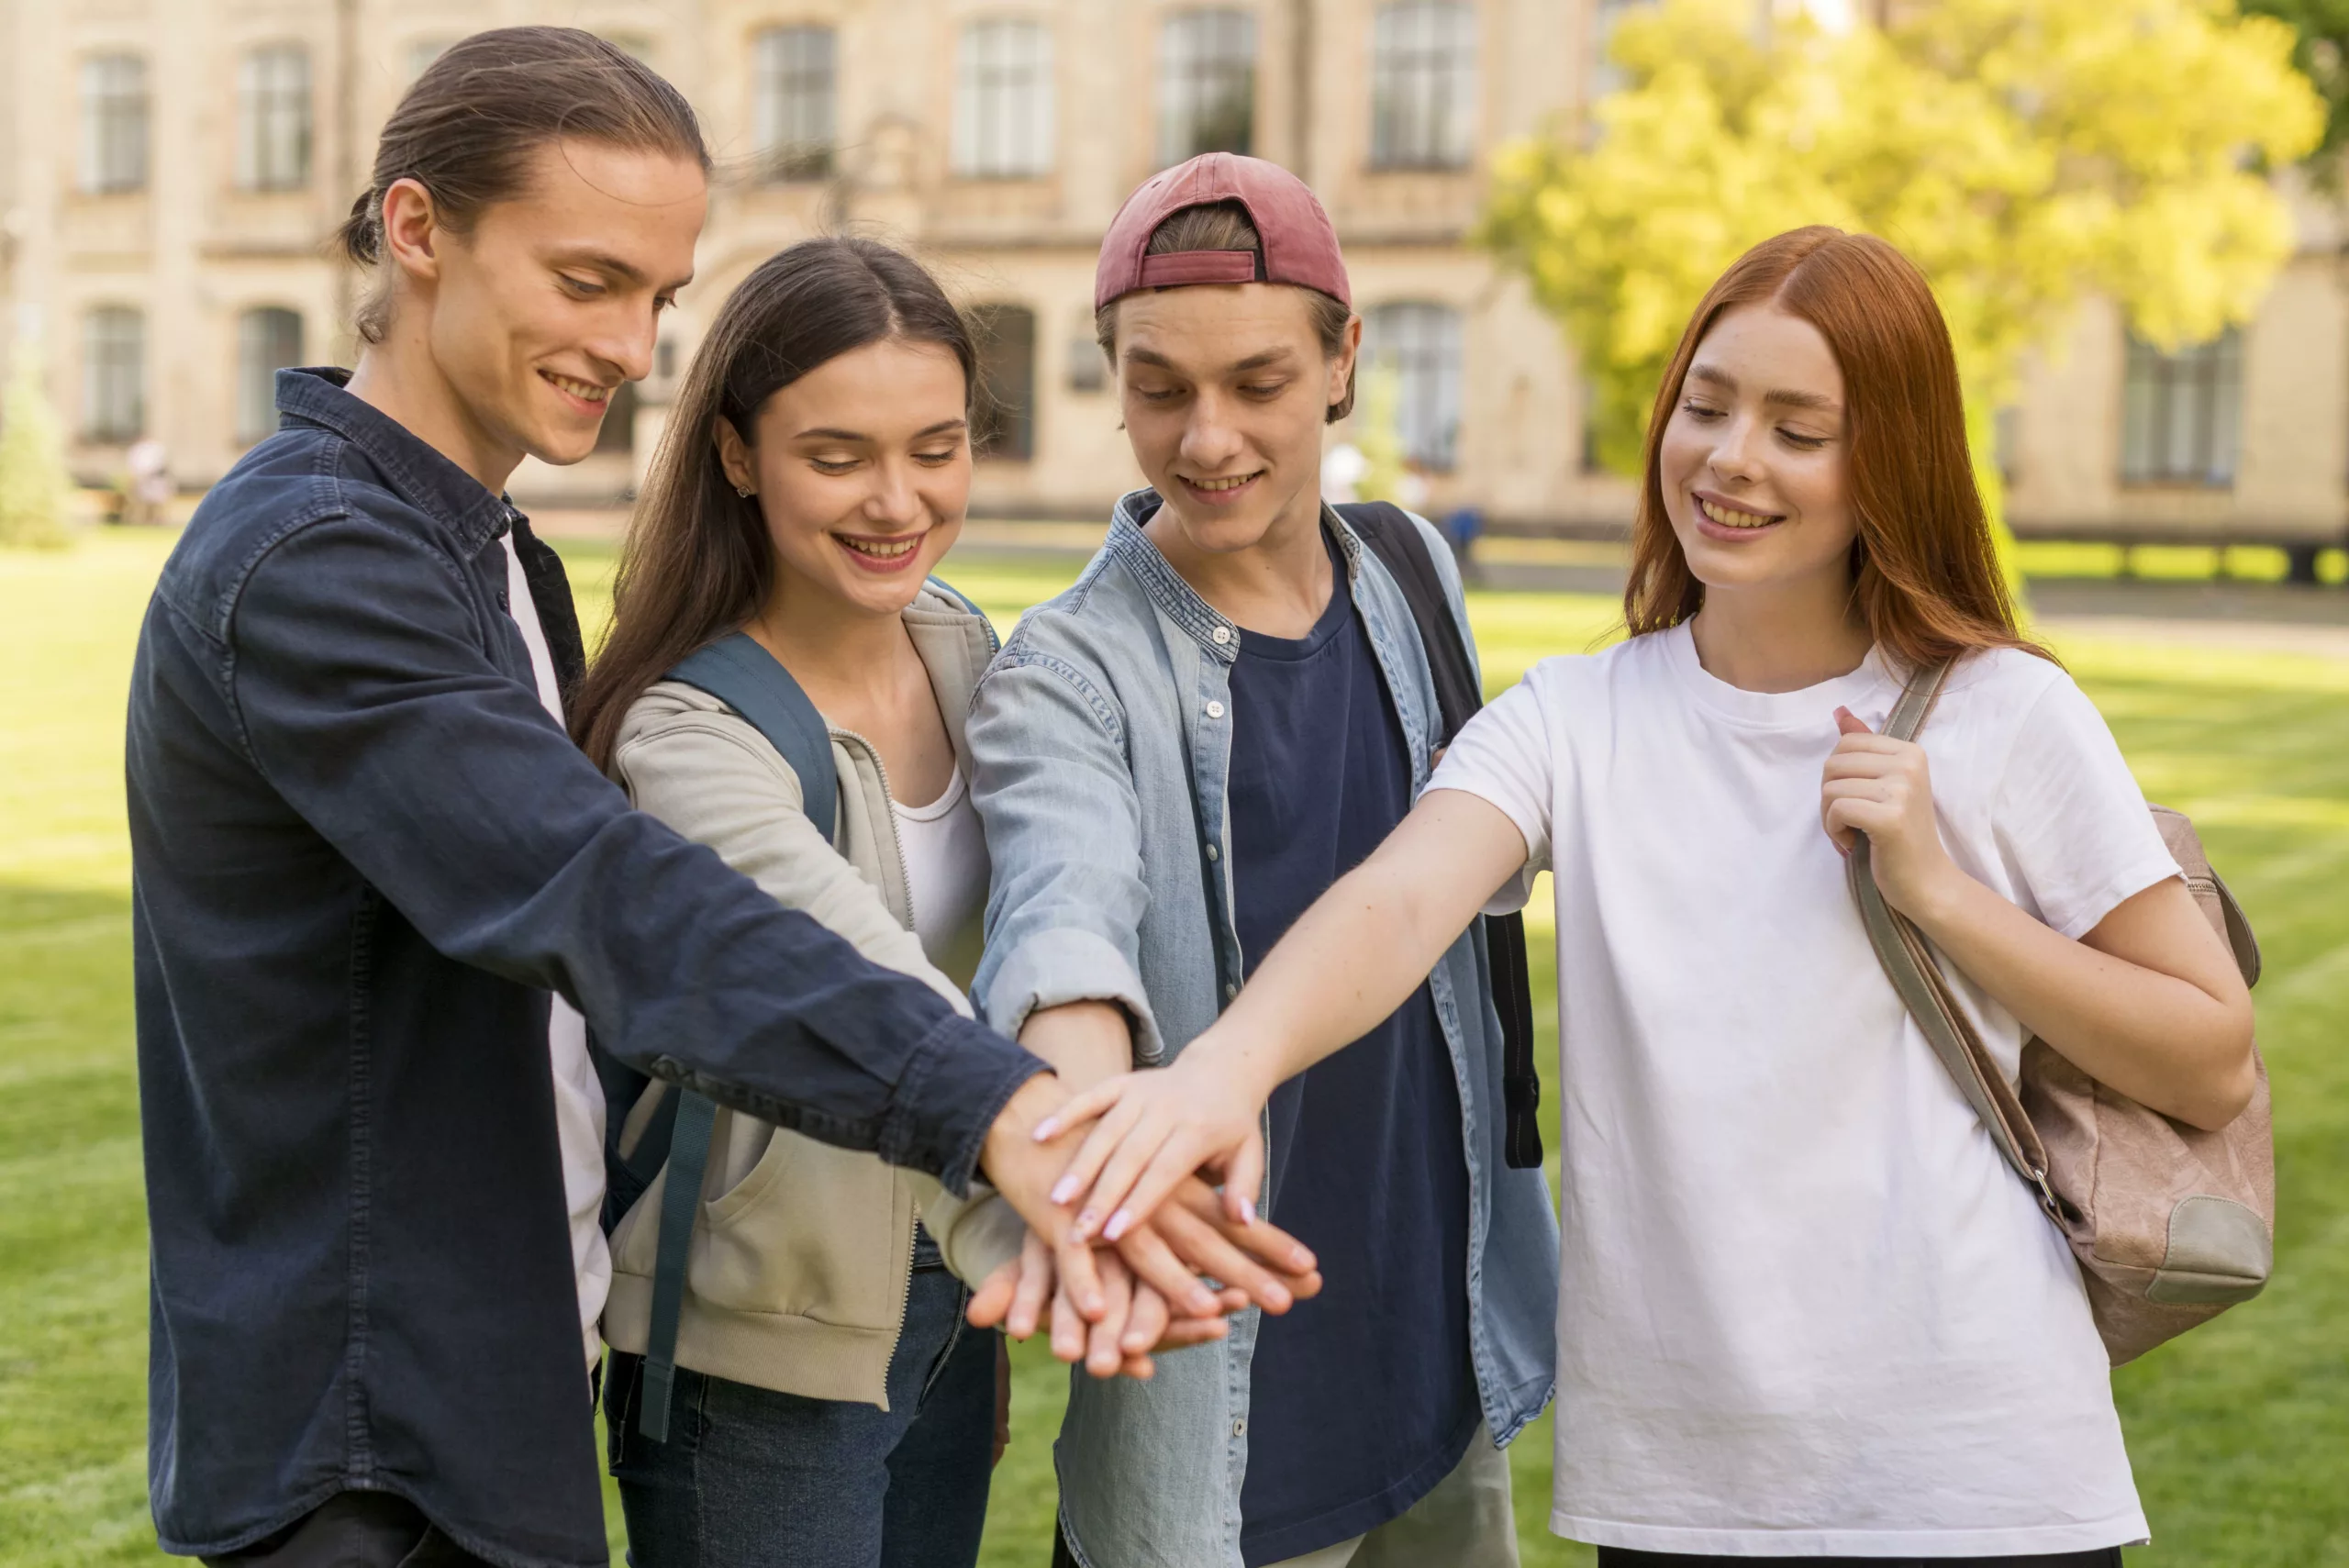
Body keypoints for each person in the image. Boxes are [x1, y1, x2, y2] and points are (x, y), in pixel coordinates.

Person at [125, 32, 1308, 1568]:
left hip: (490, 1390)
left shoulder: (480, 549)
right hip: (365, 1443)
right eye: (587, 279)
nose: (632, 345)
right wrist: (994, 1114)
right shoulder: (316, 566)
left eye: (661, 296)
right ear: (416, 231)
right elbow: (606, 897)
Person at [1037, 228, 2261, 1565]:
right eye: (1709, 405)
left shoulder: (2006, 713)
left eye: (1802, 430)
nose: (1732, 459)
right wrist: (1224, 1071)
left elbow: (2208, 1059)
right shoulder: (1578, 715)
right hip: (1680, 1486)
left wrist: (1945, 899)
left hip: (1978, 1470)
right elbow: (1394, 905)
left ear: (1889, 460)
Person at [565, 236, 1278, 1568]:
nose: (897, 500)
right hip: (764, 1345)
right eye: (837, 457)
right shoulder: (687, 736)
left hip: (954, 1289)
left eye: (936, 448)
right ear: (736, 454)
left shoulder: (962, 645)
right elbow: (872, 980)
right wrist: (1067, 1216)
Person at [963, 152, 1559, 1568]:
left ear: (1344, 363)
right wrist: (1097, 1136)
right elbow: (1064, 915)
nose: (1207, 436)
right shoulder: (1066, 672)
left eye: (1258, 383)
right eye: (1158, 387)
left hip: (1435, 1331)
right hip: (1226, 1388)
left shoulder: (1414, 569)